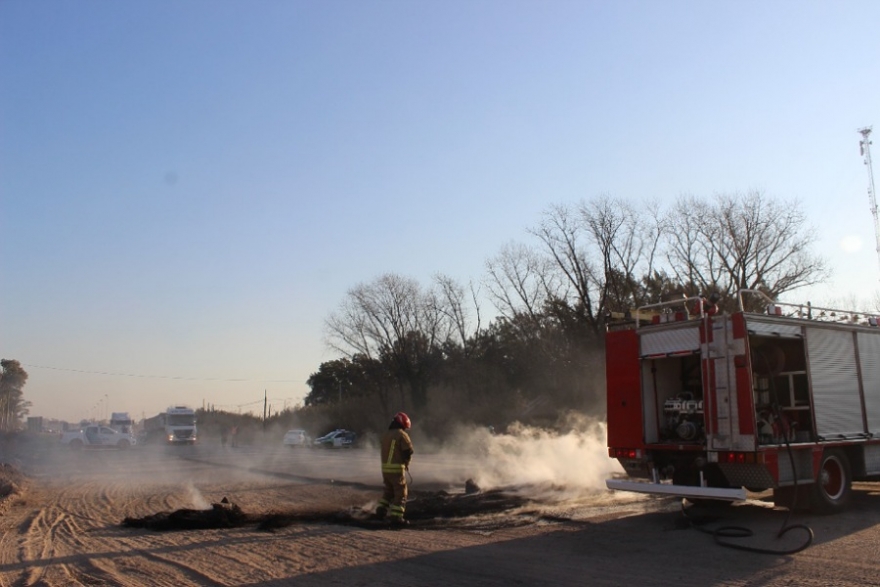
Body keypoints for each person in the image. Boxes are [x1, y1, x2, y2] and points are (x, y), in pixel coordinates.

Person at [375, 412, 414, 526]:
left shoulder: (386, 434)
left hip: (385, 470)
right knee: (401, 493)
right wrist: (406, 463)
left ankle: (380, 511)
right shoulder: (401, 435)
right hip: (396, 470)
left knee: (389, 491)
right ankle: (396, 517)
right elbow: (408, 451)